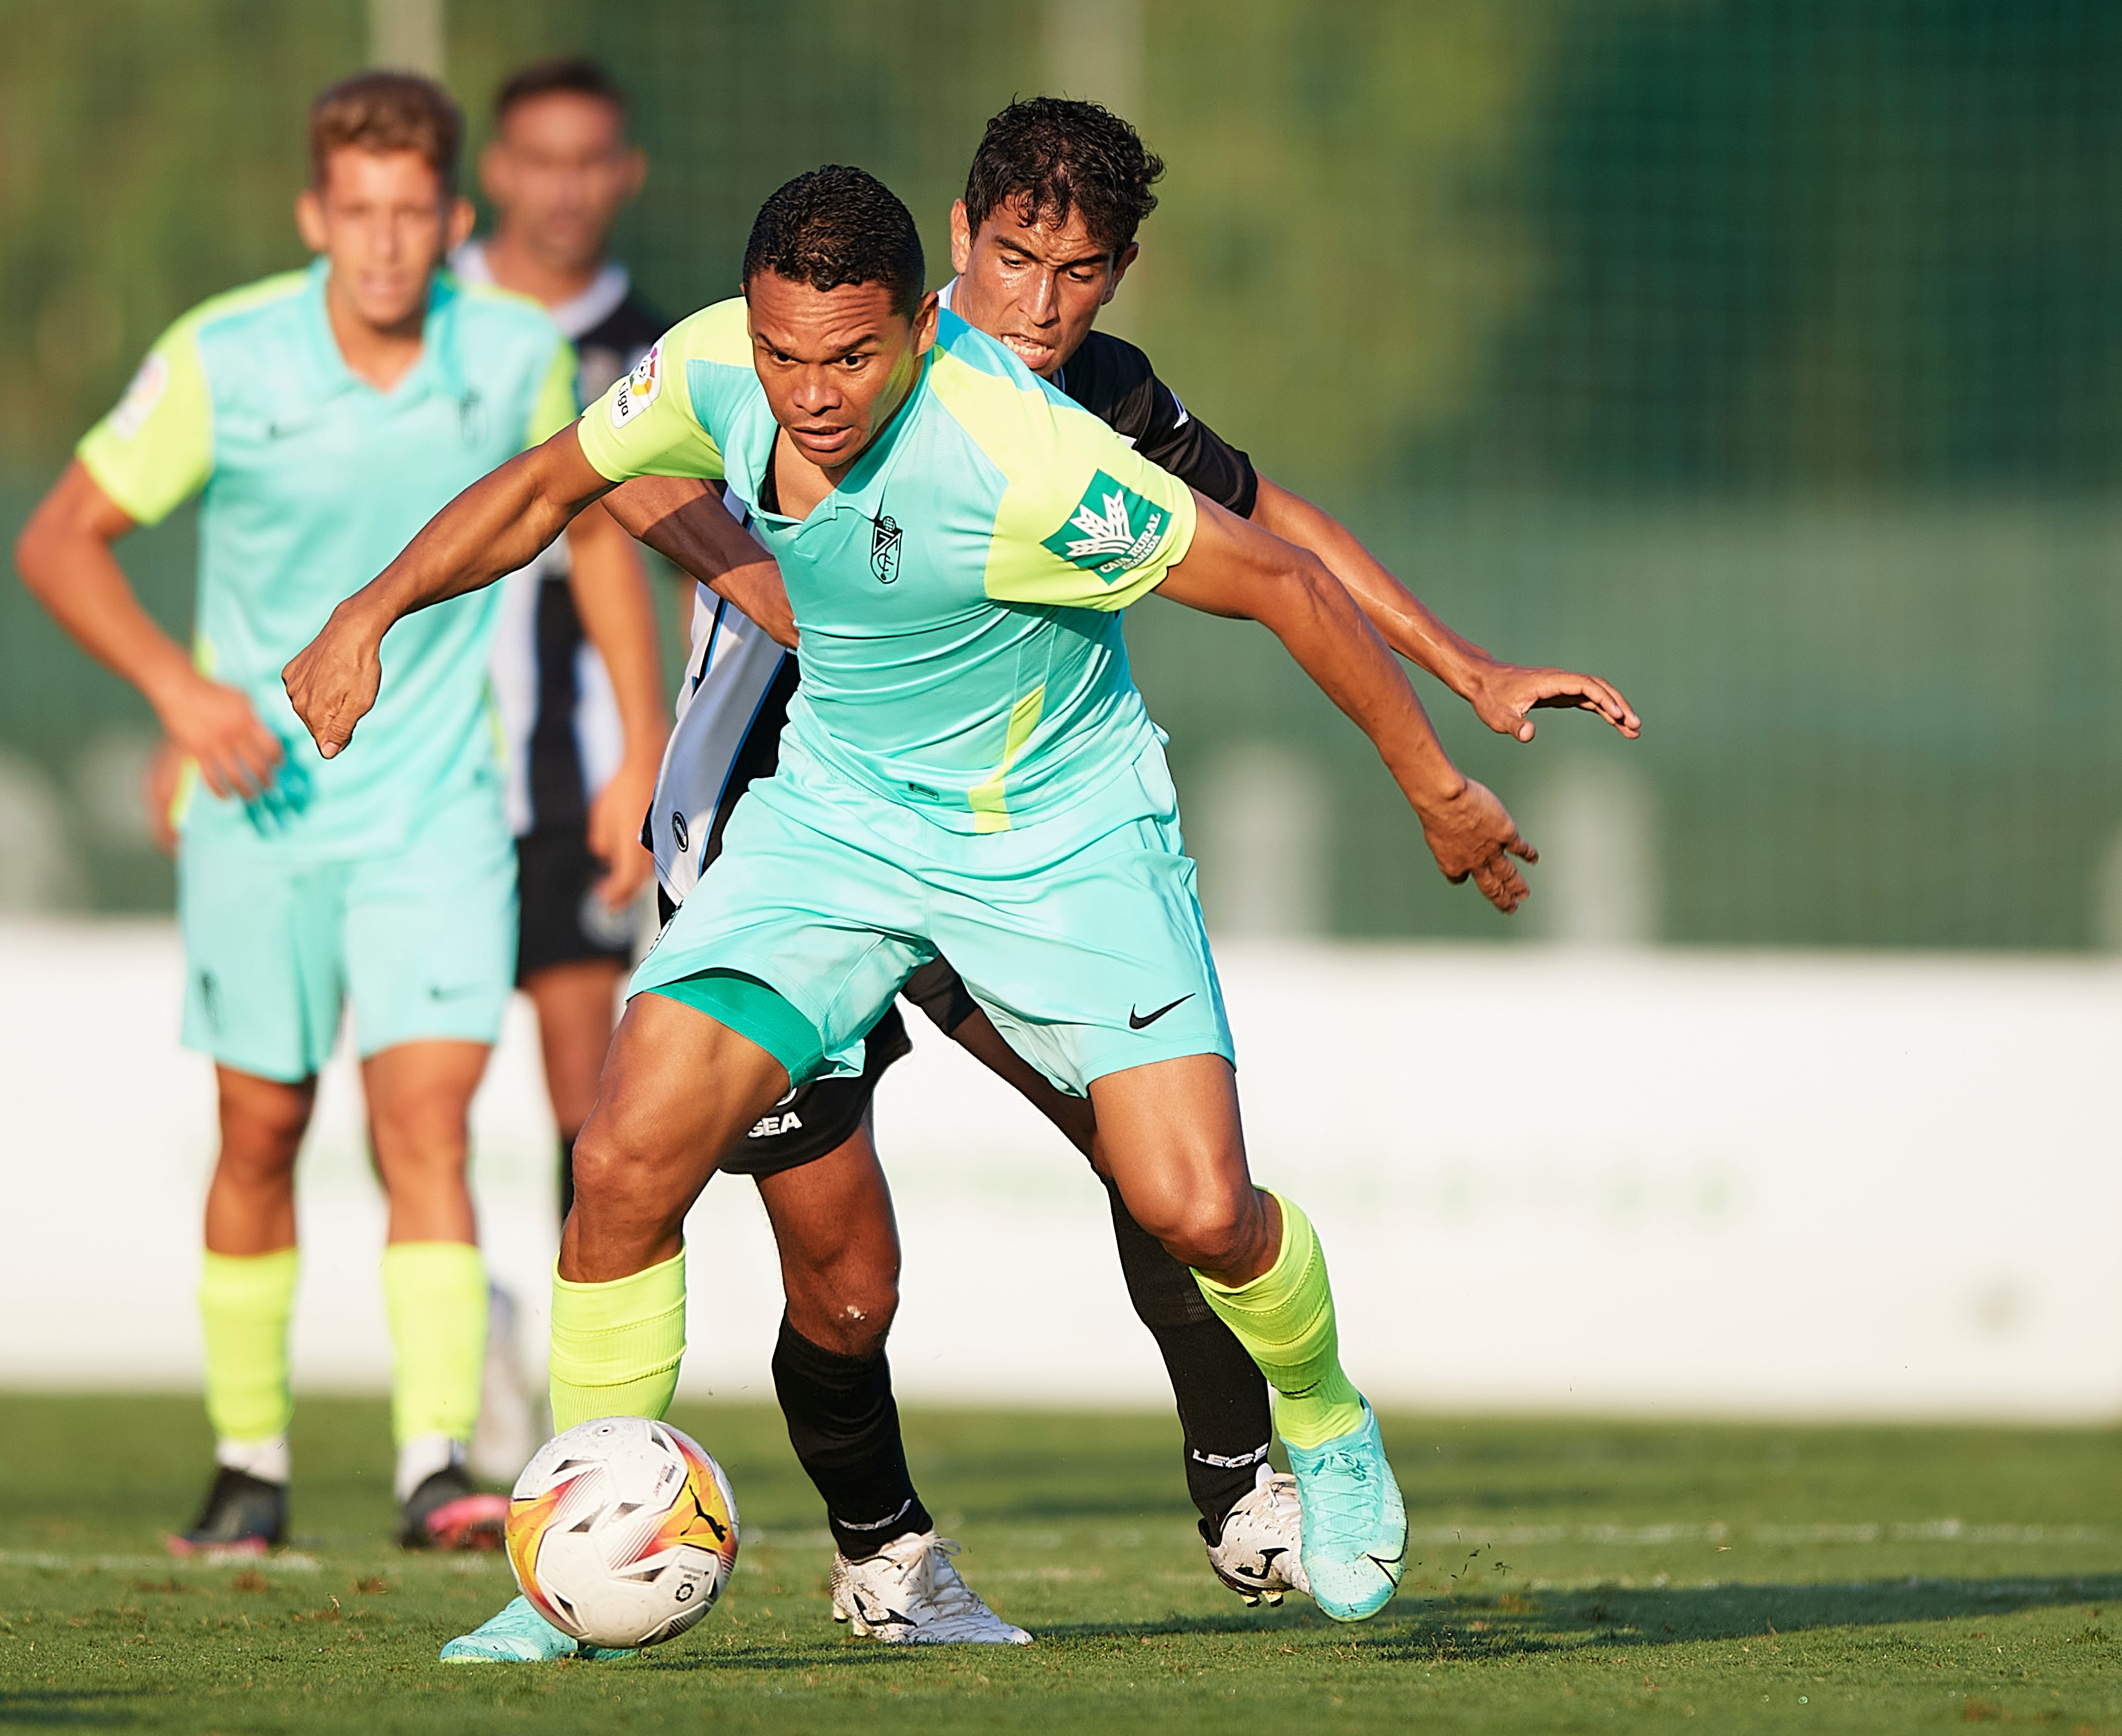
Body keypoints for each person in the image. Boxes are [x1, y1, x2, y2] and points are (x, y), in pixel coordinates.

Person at [285, 163, 1563, 1655]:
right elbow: (554, 482)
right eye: (780, 356)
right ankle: (562, 1576)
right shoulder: (717, 363)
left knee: (1194, 1204)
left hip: (1054, 839)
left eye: (846, 359)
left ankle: (1325, 1420)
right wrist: (366, 612)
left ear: (913, 327)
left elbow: (1277, 577)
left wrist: (1432, 781)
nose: (807, 397)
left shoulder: (1025, 460)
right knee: (626, 1155)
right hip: (832, 825)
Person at [603, 96, 1643, 1637]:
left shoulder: (1095, 400)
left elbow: (1275, 532)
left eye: (1076, 271)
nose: (1040, 300)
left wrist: (1464, 670)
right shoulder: (827, 353)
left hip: (991, 852)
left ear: (1116, 274)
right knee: (845, 1280)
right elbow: (610, 466)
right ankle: (882, 1555)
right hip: (773, 836)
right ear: (959, 246)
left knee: (1155, 1165)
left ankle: (1244, 1485)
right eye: (1015, 259)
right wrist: (754, 587)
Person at [14, 71, 665, 1557]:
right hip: (260, 804)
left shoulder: (512, 354)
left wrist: (637, 746)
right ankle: (248, 1463)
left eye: (408, 215)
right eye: (354, 213)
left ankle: (434, 1459)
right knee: (261, 1127)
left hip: (438, 805)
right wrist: (182, 698)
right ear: (318, 215)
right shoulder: (223, 358)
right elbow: (62, 540)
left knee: (422, 1122)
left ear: (452, 218)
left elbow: (600, 537)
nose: (382, 245)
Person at [453, 58, 669, 1217]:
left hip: (581, 763)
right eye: (541, 160)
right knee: (418, 1086)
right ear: (497, 171)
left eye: (589, 162)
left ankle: (562, 1349)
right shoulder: (418, 318)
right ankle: (463, 1332)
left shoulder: (658, 354)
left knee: (587, 1099)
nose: (564, 189)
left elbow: (702, 564)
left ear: (624, 175)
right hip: (421, 748)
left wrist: (661, 754)